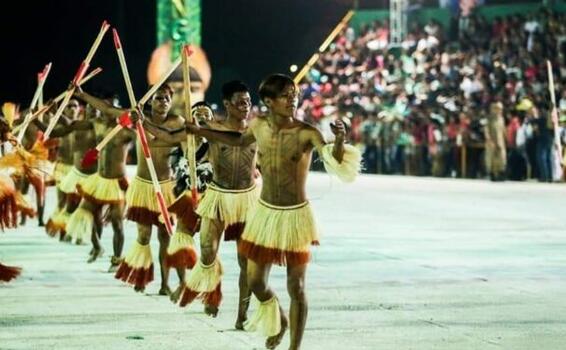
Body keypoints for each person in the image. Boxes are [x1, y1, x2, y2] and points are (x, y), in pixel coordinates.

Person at [184, 74, 361, 350]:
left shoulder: (306, 132)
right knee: (255, 282)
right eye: (286, 95)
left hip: (296, 216)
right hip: (264, 213)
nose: (293, 99)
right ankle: (279, 317)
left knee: (297, 287)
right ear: (268, 101)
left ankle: (293, 347)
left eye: (294, 95)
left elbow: (333, 160)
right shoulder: (258, 126)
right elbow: (238, 141)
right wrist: (200, 131)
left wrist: (338, 141)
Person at [144, 81, 259, 326]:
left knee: (246, 262)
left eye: (248, 101)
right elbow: (165, 135)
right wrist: (140, 121)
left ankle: (242, 315)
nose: (245, 106)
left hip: (247, 199)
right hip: (216, 196)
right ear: (227, 104)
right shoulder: (211, 130)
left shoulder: (256, 130)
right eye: (240, 102)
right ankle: (199, 288)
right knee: (207, 252)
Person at [110, 84, 190, 295]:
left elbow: (189, 143)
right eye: (158, 98)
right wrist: (82, 94)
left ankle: (165, 284)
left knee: (165, 236)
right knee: (144, 236)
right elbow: (110, 111)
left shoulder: (177, 122)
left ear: (171, 101)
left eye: (166, 98)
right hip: (144, 185)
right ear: (150, 101)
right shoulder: (138, 120)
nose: (162, 102)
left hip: (167, 187)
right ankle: (141, 277)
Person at [68, 91, 135, 270]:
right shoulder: (97, 124)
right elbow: (74, 125)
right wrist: (80, 95)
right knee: (82, 213)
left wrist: (139, 121)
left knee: (117, 224)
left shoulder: (127, 131)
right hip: (99, 180)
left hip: (117, 182)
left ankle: (117, 259)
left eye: (112, 108)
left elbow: (147, 140)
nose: (107, 111)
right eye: (105, 108)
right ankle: (97, 246)